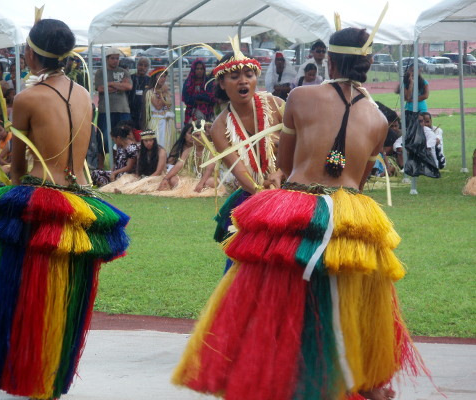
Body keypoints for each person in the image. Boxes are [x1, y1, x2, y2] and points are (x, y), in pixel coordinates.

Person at [173, 27, 426, 400]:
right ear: (366, 63)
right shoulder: (378, 117)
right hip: (353, 214)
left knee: (280, 300)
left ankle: (282, 377)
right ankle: (358, 380)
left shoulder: (300, 96)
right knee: (348, 300)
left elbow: (287, 163)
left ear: (330, 59)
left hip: (299, 205)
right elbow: (361, 175)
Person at [0, 17, 129, 400]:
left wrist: (11, 209)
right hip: (79, 201)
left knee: (21, 290)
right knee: (63, 292)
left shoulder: (28, 97)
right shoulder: (84, 94)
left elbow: (17, 168)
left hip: (38, 195)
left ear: (31, 53)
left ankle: (19, 370)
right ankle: (50, 372)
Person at [207, 49, 284, 262]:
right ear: (222, 83)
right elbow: (240, 170)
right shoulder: (219, 126)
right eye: (235, 77)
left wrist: (281, 173)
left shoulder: (275, 104)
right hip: (253, 196)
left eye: (249, 75)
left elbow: (299, 147)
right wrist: (263, 194)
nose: (243, 81)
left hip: (290, 190)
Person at [95, 47, 133, 169]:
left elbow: (128, 86)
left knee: (122, 137)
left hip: (123, 109)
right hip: (106, 110)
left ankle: (118, 166)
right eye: (112, 58)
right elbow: (101, 88)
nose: (115, 61)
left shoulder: (124, 71)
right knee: (104, 138)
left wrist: (110, 84)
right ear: (107, 59)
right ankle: (100, 167)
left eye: (117, 58)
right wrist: (119, 85)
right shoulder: (101, 72)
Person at [155, 122, 219, 196]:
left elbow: (209, 169)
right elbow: (179, 165)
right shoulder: (188, 151)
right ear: (192, 137)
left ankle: (196, 188)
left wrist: (201, 183)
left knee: (210, 182)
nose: (200, 138)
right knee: (173, 180)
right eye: (197, 136)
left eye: (202, 135)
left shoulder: (211, 150)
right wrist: (166, 179)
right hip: (193, 178)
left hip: (208, 178)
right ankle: (193, 189)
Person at [92, 121, 139, 187]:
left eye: (114, 140)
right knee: (95, 173)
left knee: (121, 177)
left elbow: (129, 167)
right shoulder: (119, 146)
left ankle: (111, 185)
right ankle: (110, 184)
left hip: (126, 174)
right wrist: (112, 171)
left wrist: (115, 173)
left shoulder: (132, 148)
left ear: (118, 138)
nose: (114, 142)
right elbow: (116, 162)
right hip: (117, 172)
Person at [143, 67, 175, 153]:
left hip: (166, 122)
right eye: (160, 76)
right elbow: (158, 106)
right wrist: (163, 93)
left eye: (164, 76)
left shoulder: (165, 91)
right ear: (155, 78)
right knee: (158, 143)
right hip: (156, 122)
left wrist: (164, 93)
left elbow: (168, 105)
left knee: (167, 144)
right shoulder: (150, 92)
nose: (163, 79)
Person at [182, 59, 215, 124]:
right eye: (197, 69)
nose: (199, 71)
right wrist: (201, 99)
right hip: (191, 113)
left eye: (201, 69)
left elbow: (212, 98)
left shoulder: (208, 82)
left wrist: (197, 98)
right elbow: (186, 99)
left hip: (208, 113)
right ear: (193, 69)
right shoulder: (188, 83)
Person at [129, 57, 150, 130]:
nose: (142, 67)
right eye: (141, 65)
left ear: (148, 68)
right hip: (131, 111)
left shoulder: (150, 80)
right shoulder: (130, 78)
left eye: (145, 66)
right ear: (137, 66)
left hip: (144, 112)